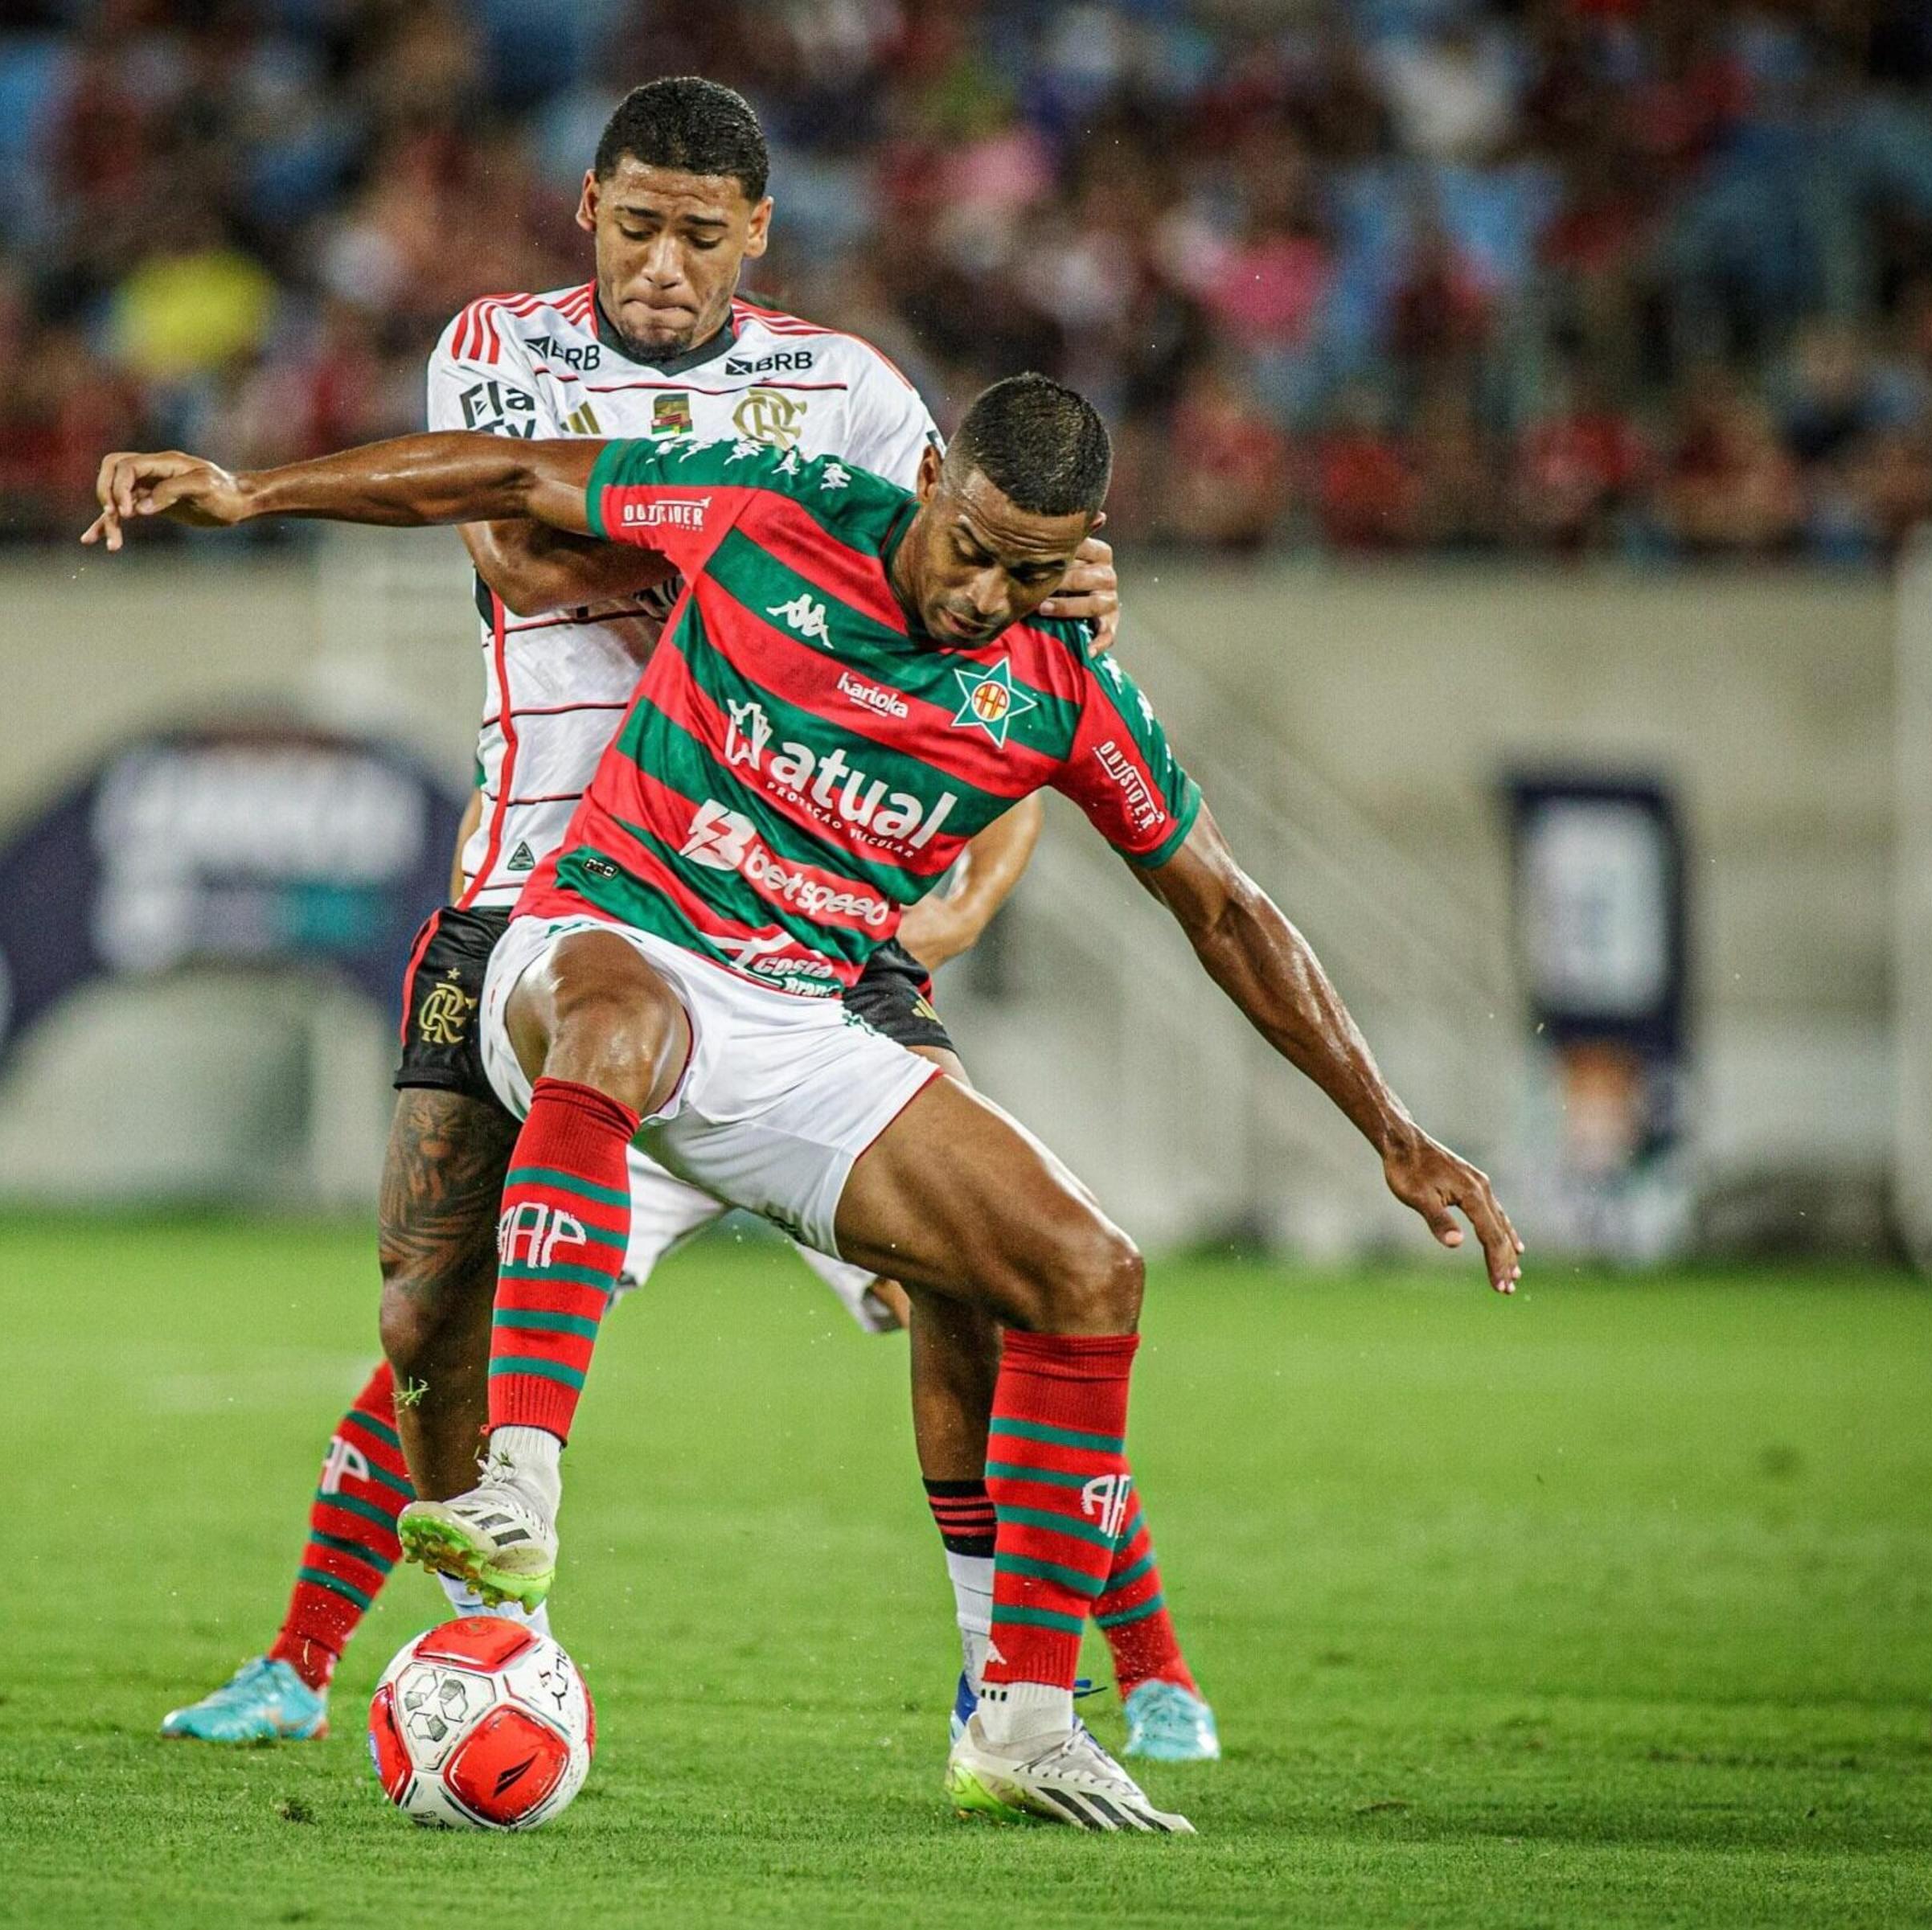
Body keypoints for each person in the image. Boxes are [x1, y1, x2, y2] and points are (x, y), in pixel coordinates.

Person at [83, 374, 1520, 1831]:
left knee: (1084, 1270)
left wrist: (1392, 1131)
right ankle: (515, 1488)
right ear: (933, 480)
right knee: (484, 1226)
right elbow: (519, 478)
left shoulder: (1063, 685)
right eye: (974, 547)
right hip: (600, 946)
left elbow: (1223, 906)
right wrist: (256, 493)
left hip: (807, 1023)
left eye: (1037, 570)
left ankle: (1022, 1715)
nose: (989, 595)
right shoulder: (775, 514)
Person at [153, 78, 1217, 1765]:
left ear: (757, 237)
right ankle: (318, 1660)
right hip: (542, 885)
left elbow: (984, 626)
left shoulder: (855, 391)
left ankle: (1109, 1675)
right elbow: (520, 549)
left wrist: (976, 840)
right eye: (635, 225)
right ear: (587, 208)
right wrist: (764, 564)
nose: (662, 264)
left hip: (800, 904)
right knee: (438, 1315)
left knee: (982, 1282)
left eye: (699, 236)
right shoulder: (500, 343)